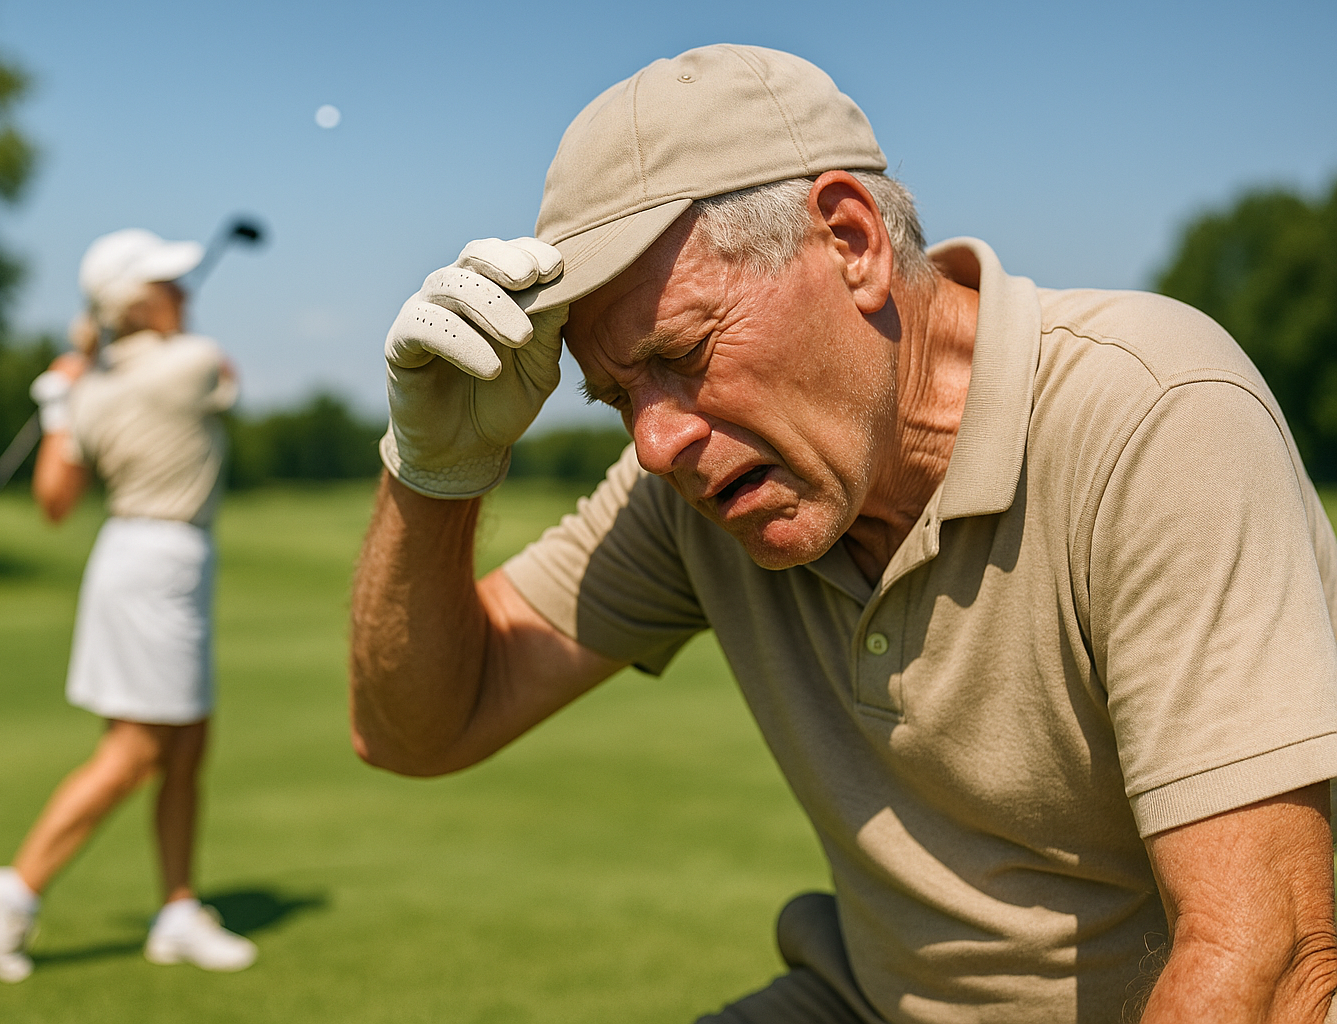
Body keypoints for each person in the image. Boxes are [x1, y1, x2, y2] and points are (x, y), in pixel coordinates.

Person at [349, 44, 1337, 1024]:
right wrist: (435, 473)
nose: (653, 442)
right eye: (615, 396)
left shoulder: (1151, 412)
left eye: (684, 353)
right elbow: (417, 726)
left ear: (851, 240)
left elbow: (1269, 963)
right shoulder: (702, 483)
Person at [0, 228, 256, 983]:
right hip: (156, 568)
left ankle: (177, 910)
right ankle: (17, 888)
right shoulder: (191, 363)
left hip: (140, 559)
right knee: (135, 754)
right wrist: (96, 362)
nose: (186, 295)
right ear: (133, 301)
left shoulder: (88, 391)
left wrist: (63, 402)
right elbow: (230, 376)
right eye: (169, 284)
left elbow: (56, 502)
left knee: (187, 747)